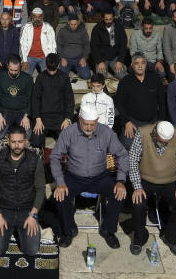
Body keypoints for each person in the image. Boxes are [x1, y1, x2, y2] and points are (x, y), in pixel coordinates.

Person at [50, 105, 128, 249]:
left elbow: (122, 154)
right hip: (74, 176)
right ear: (79, 119)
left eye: (92, 124)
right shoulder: (69, 132)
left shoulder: (106, 132)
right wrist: (60, 182)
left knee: (120, 194)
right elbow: (55, 157)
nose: (89, 127)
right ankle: (69, 230)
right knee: (59, 196)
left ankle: (108, 230)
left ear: (97, 121)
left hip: (100, 177)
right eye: (85, 123)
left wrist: (121, 180)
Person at [127, 121, 176, 257]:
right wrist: (137, 186)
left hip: (169, 181)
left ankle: (170, 237)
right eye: (162, 142)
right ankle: (140, 237)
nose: (165, 144)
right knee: (137, 203)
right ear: (155, 133)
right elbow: (132, 160)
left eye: (167, 142)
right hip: (145, 179)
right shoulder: (143, 133)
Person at [0, 126, 45, 256]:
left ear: (25, 141)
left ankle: (22, 230)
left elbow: (41, 189)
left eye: (20, 142)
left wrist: (33, 215)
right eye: (13, 142)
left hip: (27, 210)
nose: (17, 146)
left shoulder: (35, 160)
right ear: (8, 141)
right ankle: (2, 226)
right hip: (5, 209)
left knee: (32, 250)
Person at [114, 53, 165, 150]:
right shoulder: (125, 82)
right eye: (137, 63)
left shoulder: (155, 79)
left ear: (146, 64)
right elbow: (119, 104)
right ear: (132, 66)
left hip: (153, 122)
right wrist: (127, 122)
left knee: (160, 145)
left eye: (143, 63)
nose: (140, 65)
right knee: (128, 145)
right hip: (133, 122)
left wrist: (160, 122)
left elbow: (162, 102)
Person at [31, 53, 74, 148]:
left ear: (58, 65)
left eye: (53, 70)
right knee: (35, 142)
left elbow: (69, 99)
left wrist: (67, 119)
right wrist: (37, 118)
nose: (51, 72)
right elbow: (35, 99)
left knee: (68, 143)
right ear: (45, 65)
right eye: (49, 69)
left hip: (60, 118)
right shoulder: (40, 78)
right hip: (43, 117)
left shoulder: (64, 77)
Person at [0, 55, 33, 140]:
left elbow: (31, 99)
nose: (13, 72)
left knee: (28, 136)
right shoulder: (0, 77)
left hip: (22, 111)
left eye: (16, 70)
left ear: (20, 66)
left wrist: (26, 116)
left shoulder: (27, 78)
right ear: (7, 66)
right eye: (11, 70)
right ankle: (11, 130)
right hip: (5, 111)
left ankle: (10, 131)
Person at [90, 11, 128, 78]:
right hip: (102, 58)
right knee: (101, 78)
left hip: (115, 57)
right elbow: (94, 46)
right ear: (103, 18)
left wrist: (120, 60)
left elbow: (123, 44)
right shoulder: (97, 28)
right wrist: (99, 61)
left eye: (110, 19)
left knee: (123, 76)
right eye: (106, 19)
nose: (108, 21)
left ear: (113, 18)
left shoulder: (119, 26)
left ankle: (120, 68)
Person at [19, 8, 56, 73]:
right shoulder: (26, 27)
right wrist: (24, 60)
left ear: (42, 17)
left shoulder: (48, 27)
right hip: (30, 57)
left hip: (45, 57)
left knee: (47, 77)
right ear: (31, 17)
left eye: (39, 17)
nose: (37, 19)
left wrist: (50, 61)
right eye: (35, 17)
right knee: (25, 76)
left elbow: (52, 45)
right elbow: (23, 44)